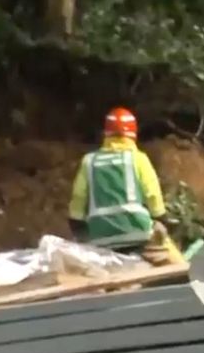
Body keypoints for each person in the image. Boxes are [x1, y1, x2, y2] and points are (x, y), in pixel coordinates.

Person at [68, 107, 170, 255]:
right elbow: (152, 193)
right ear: (132, 134)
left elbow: (78, 196)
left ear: (106, 134)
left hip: (100, 237)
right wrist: (161, 218)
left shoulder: (89, 161)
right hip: (137, 234)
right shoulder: (138, 159)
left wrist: (77, 225)